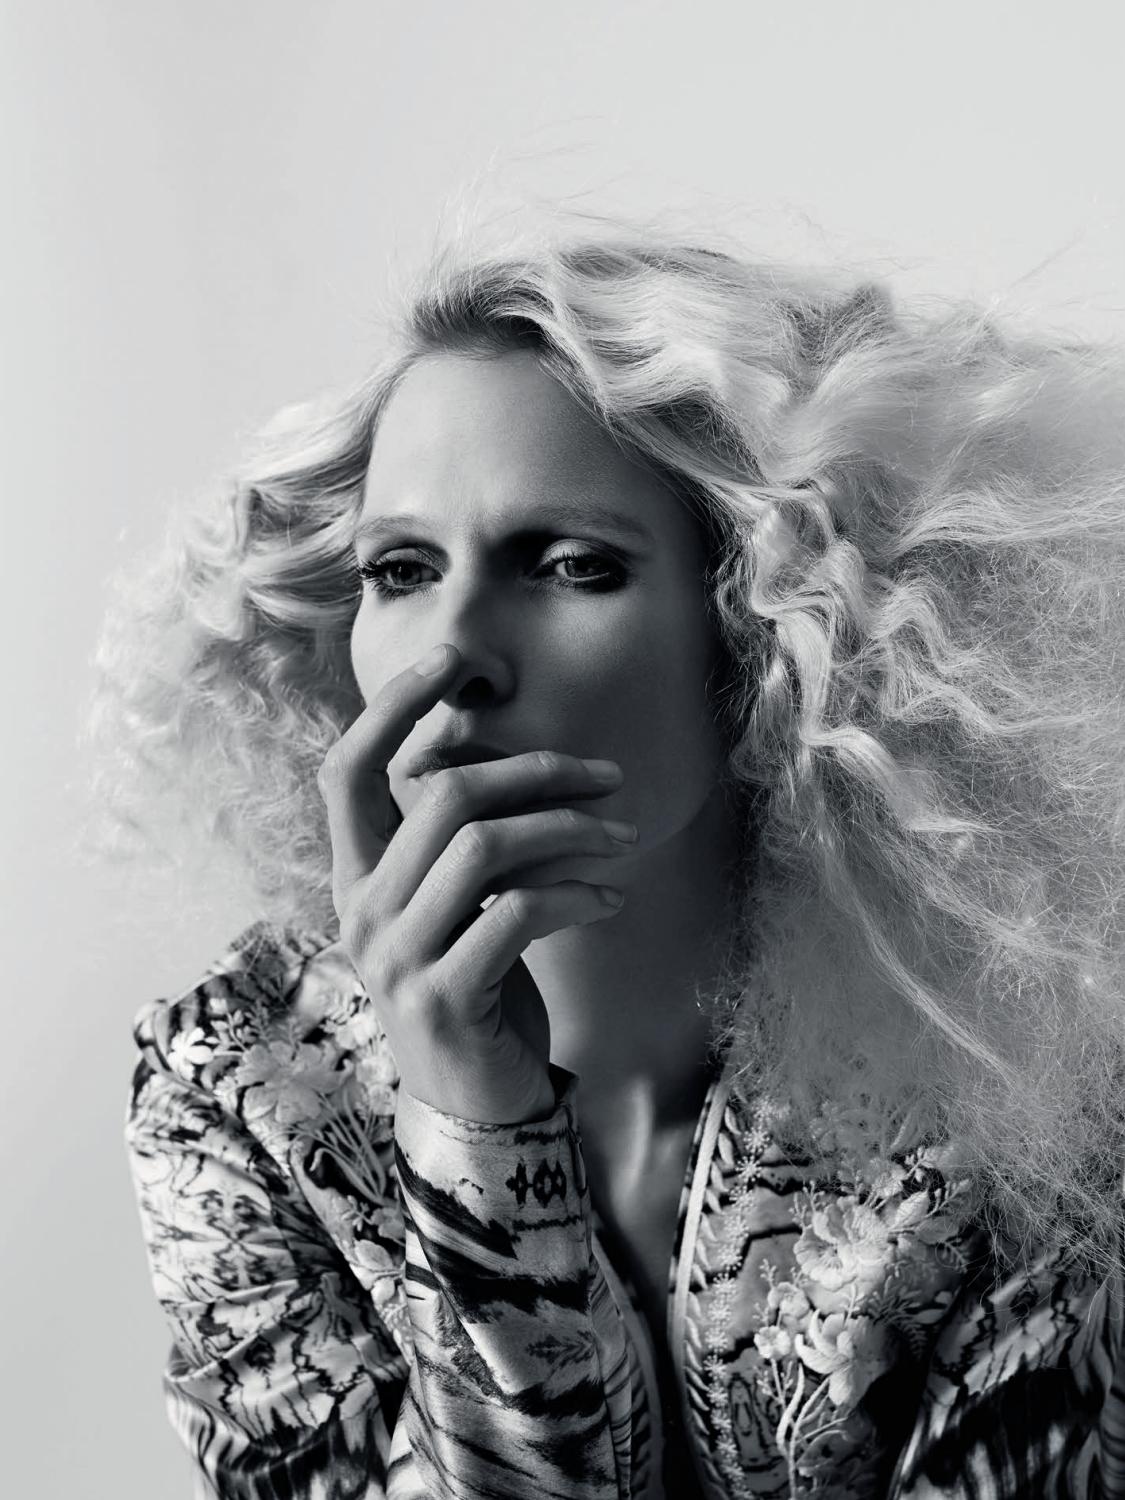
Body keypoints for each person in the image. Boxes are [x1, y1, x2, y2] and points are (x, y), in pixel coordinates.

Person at [82, 213, 1125, 1498]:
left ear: (769, 628)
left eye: (570, 566)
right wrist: (471, 1122)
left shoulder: (1031, 1090)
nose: (452, 652)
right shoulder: (241, 1086)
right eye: (400, 569)